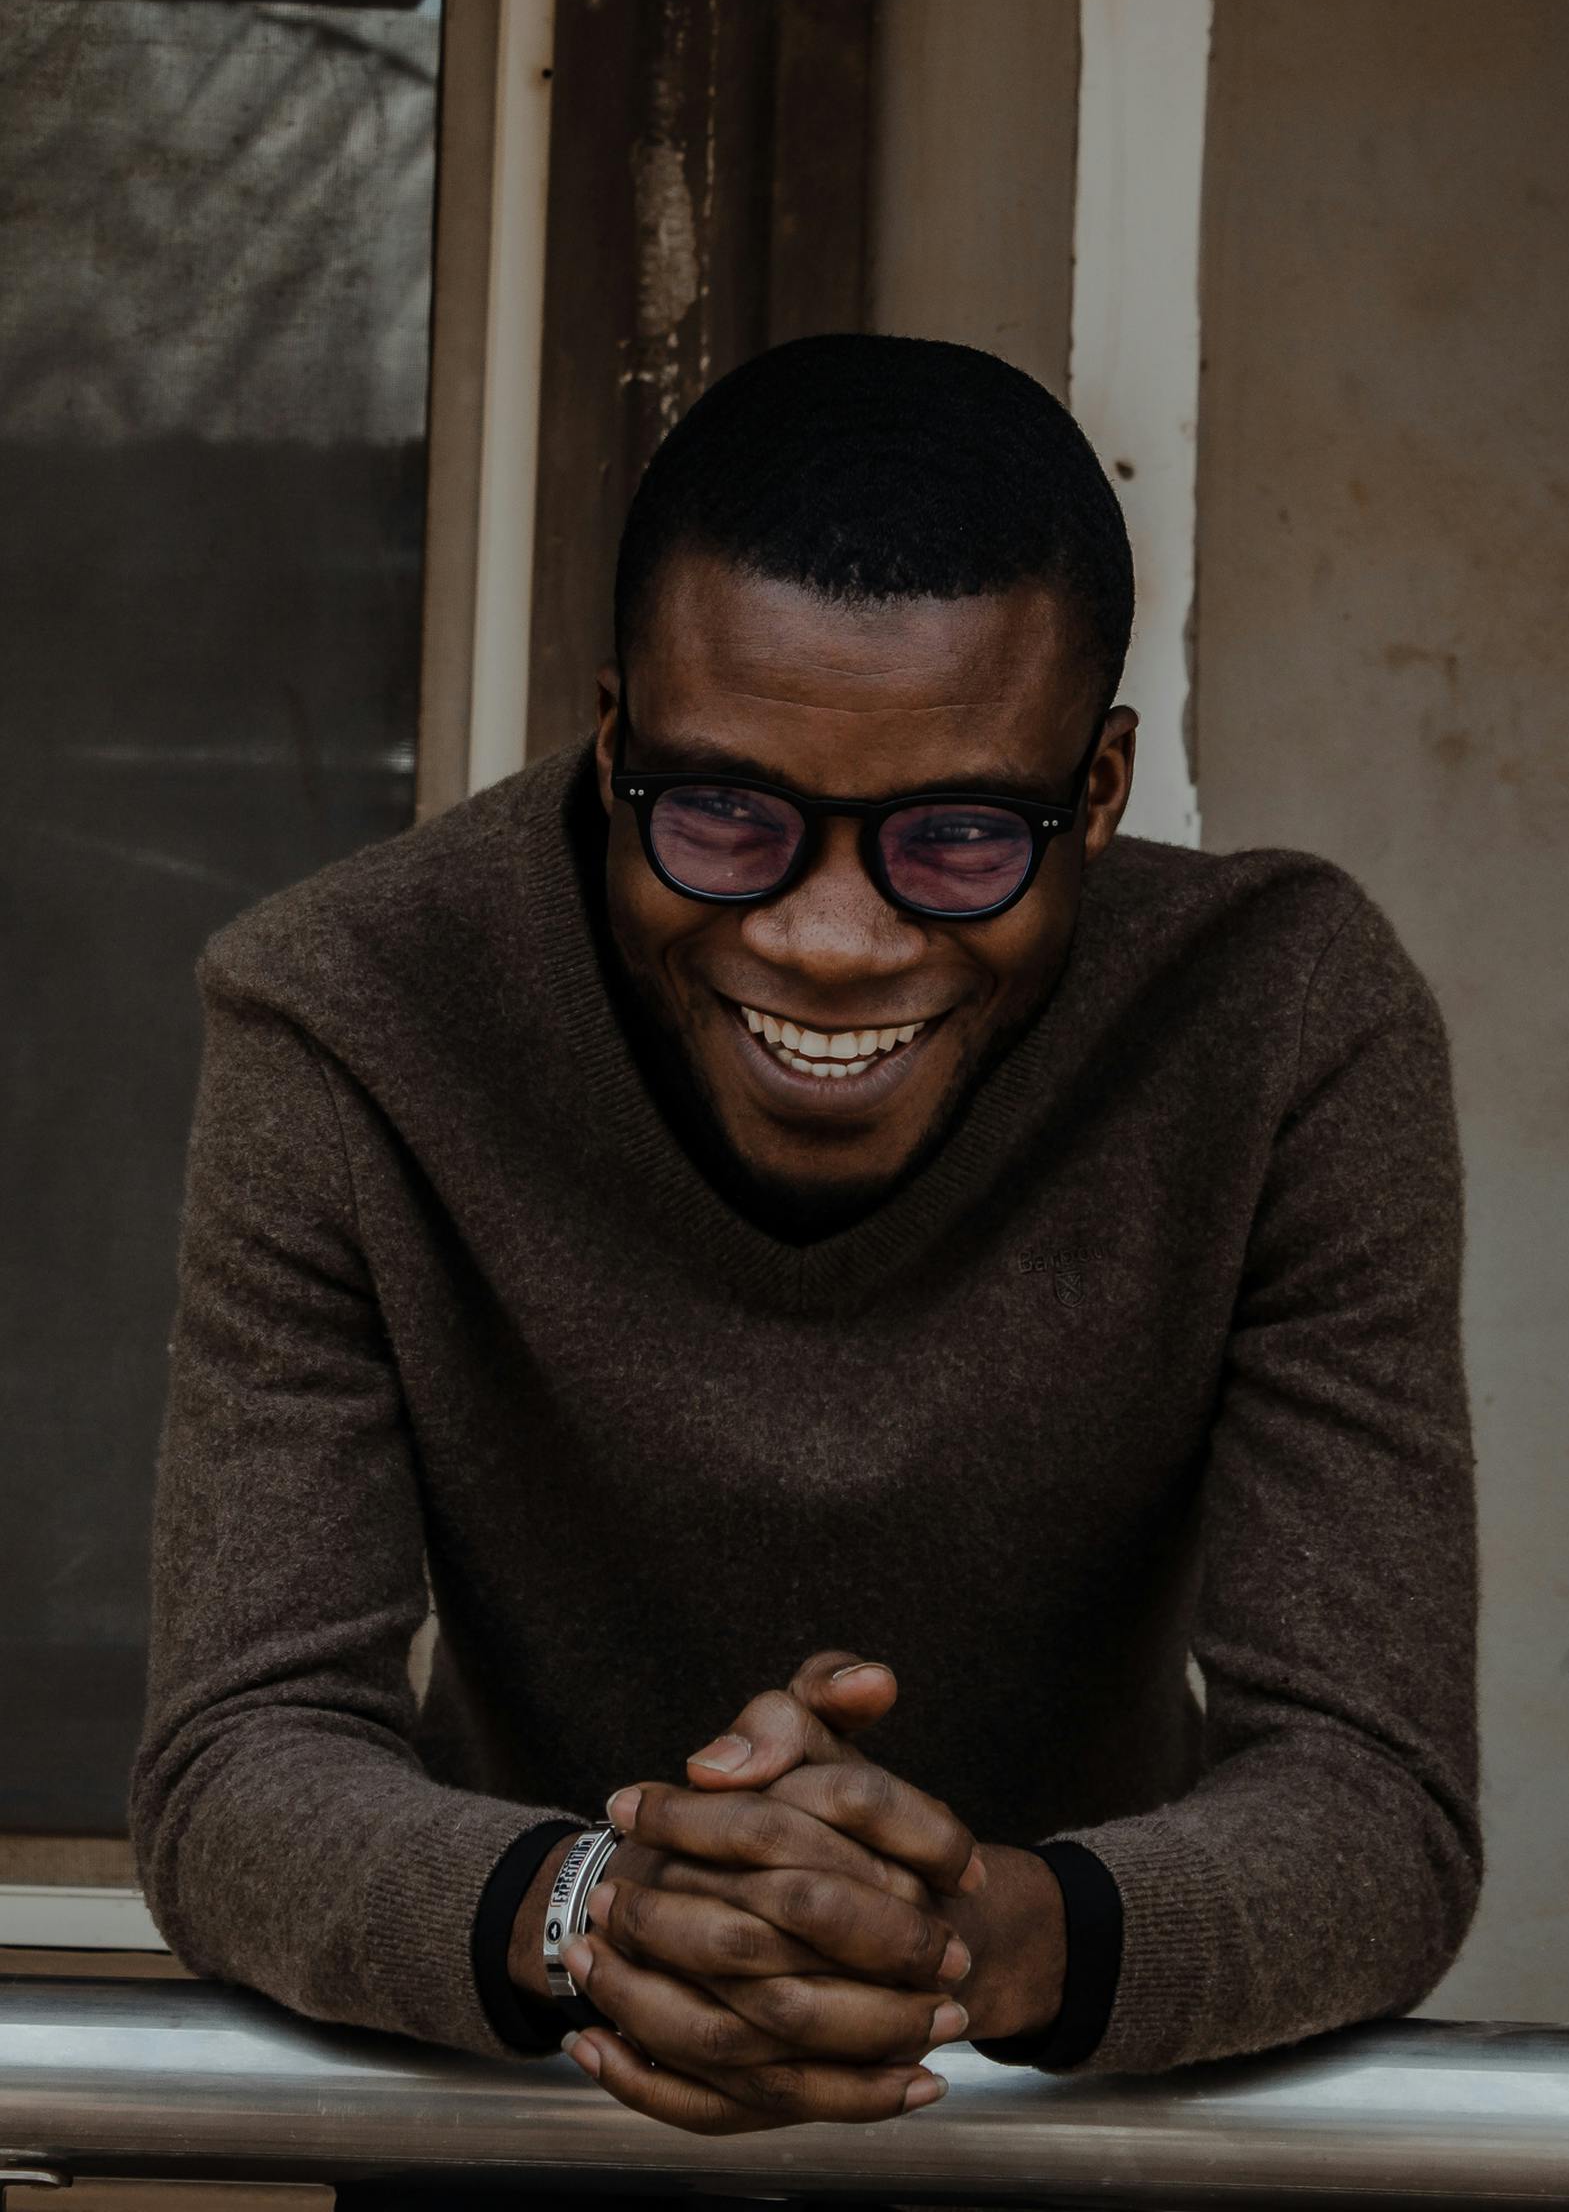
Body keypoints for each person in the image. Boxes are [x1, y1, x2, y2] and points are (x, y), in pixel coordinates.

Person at [131, 333, 1480, 2138]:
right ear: (615, 746)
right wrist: (593, 1914)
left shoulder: (1285, 1027)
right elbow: (234, 1762)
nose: (828, 939)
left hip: (1081, 2148)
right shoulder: (352, 1016)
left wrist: (984, 1942)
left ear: (1096, 797)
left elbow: (1375, 1795)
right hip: (524, 2137)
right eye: (725, 816)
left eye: (955, 842)